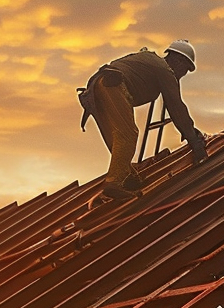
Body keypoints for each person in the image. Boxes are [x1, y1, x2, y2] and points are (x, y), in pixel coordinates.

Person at [79, 40, 207, 202]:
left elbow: (172, 108)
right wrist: (194, 141)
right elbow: (176, 107)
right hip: (112, 84)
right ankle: (114, 183)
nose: (183, 74)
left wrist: (188, 132)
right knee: (128, 134)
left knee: (116, 138)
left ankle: (128, 177)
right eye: (185, 69)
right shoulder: (164, 70)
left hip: (96, 88)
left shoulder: (151, 63)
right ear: (178, 61)